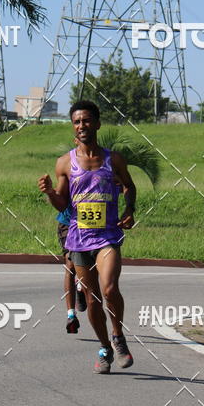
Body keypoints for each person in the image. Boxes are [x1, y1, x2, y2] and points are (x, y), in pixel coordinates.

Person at [38, 100, 136, 373]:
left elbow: (129, 186)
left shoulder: (113, 160)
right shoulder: (64, 163)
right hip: (79, 239)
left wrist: (129, 209)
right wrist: (50, 193)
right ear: (73, 127)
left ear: (98, 124)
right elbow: (62, 203)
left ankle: (118, 337)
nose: (82, 125)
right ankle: (104, 347)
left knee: (109, 289)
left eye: (87, 120)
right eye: (77, 122)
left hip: (107, 237)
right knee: (92, 299)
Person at [56, 202, 87, 333]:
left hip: (93, 225)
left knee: (89, 266)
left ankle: (80, 285)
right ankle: (71, 315)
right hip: (68, 223)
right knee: (70, 265)